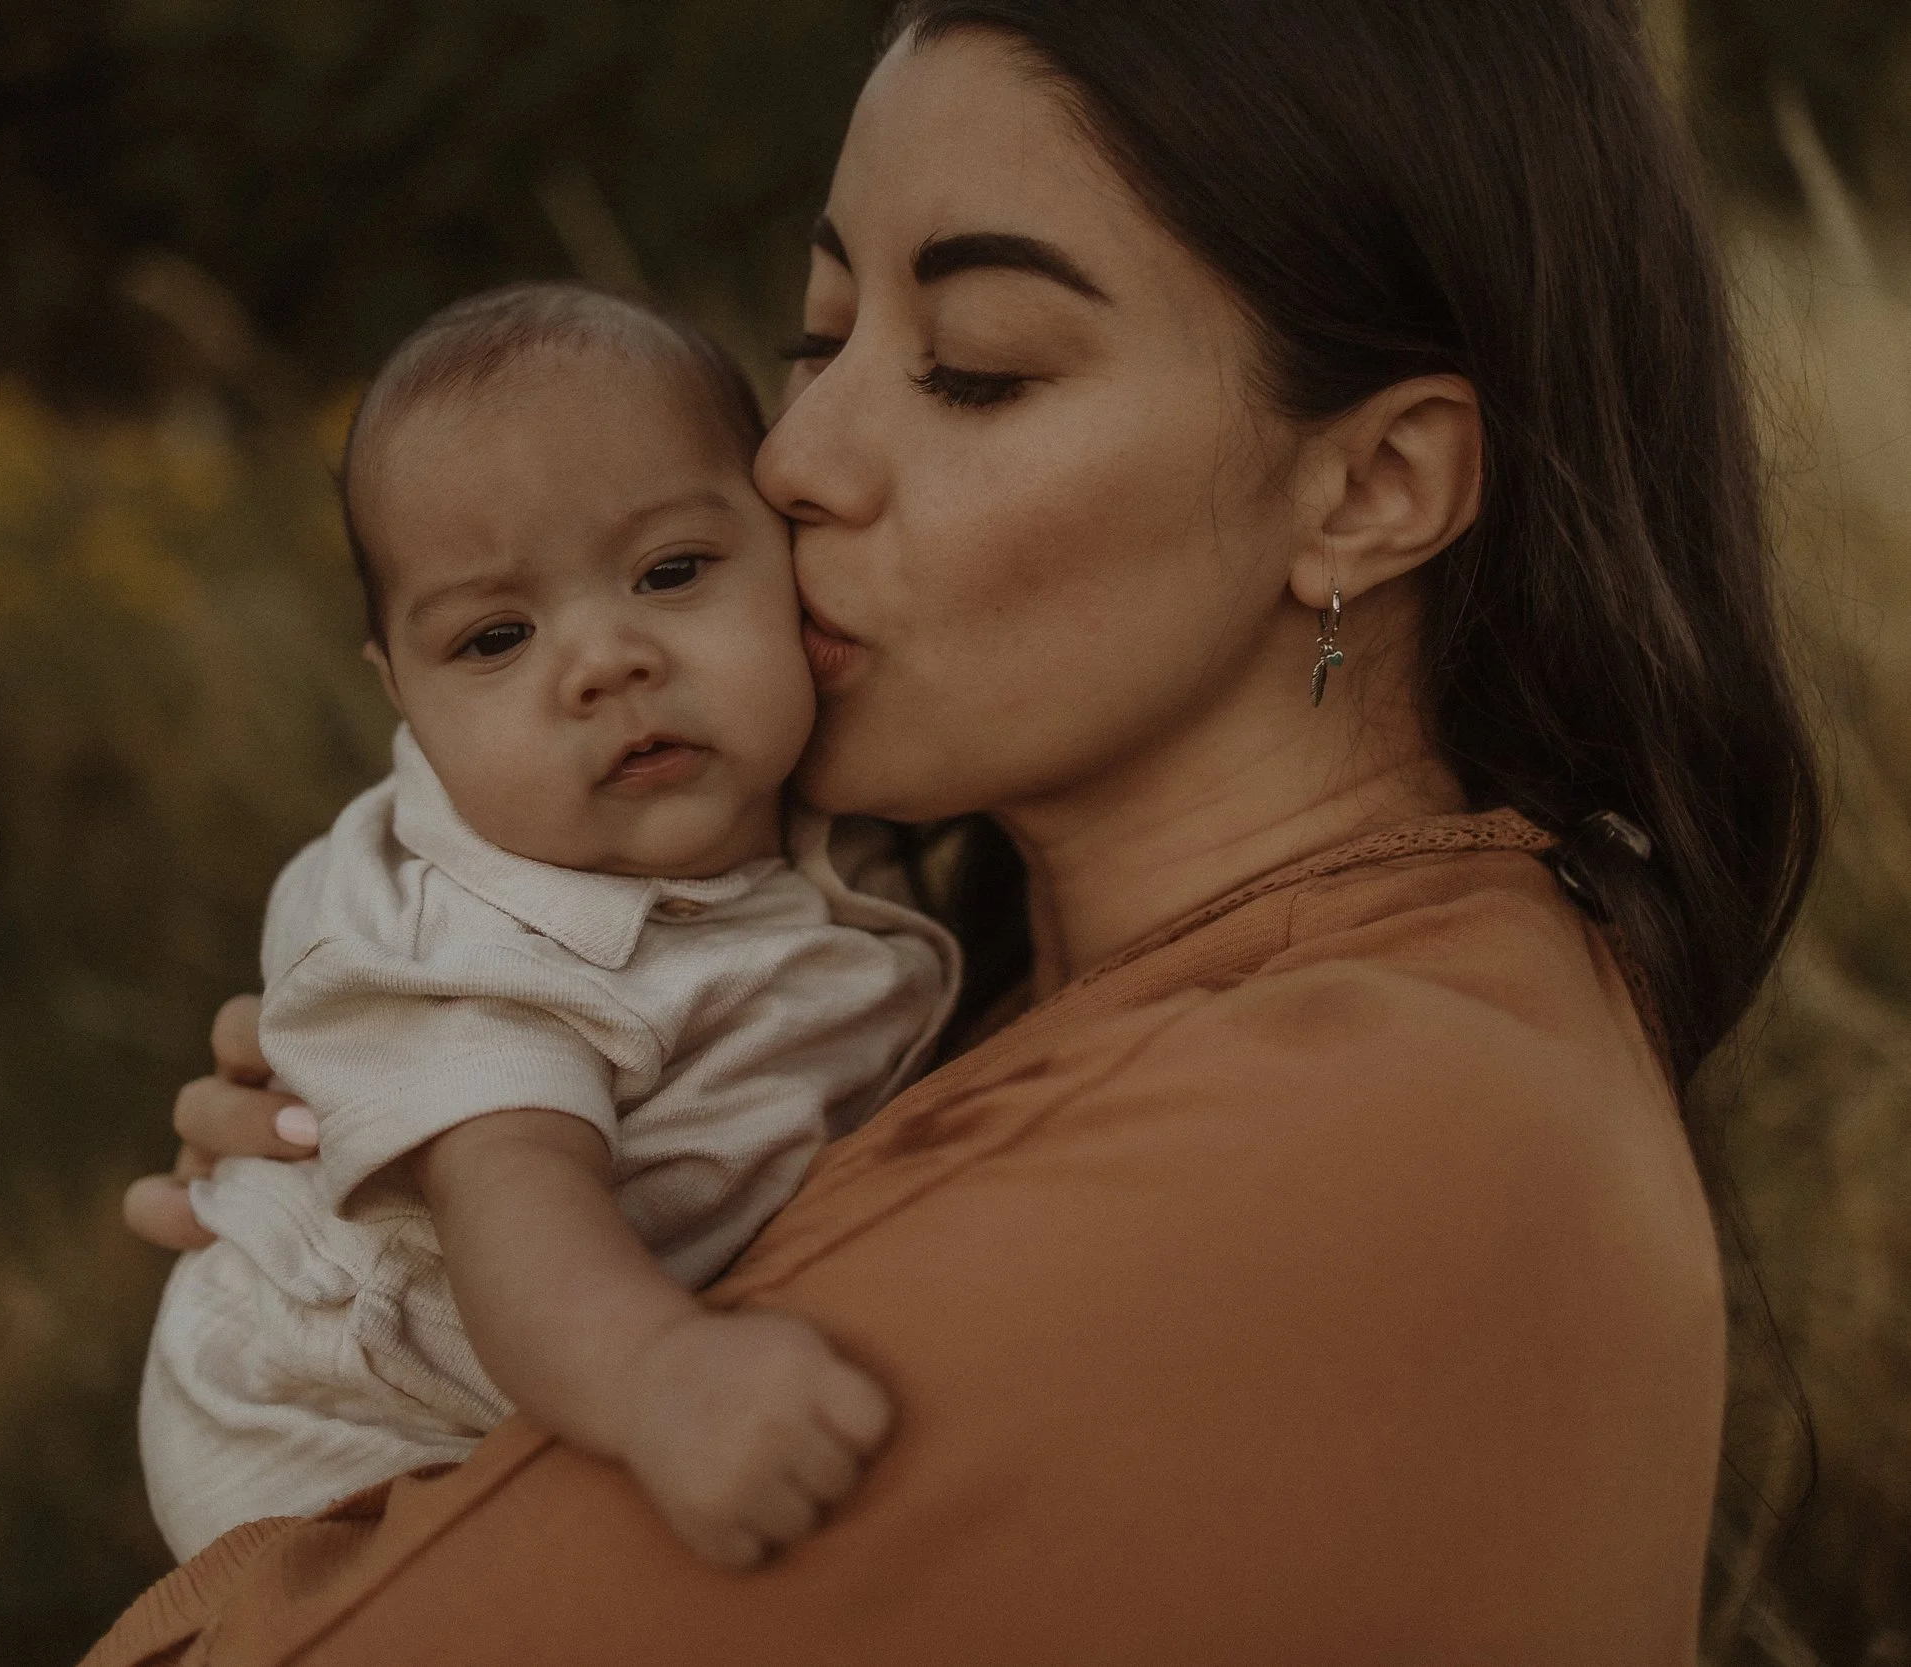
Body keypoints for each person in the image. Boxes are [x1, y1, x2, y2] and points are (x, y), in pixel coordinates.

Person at [101, 0, 1821, 1660]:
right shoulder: (1102, 1002)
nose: (792, 460)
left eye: (975, 370)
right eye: (817, 341)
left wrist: (314, 1461)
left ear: (1370, 489)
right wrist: (386, 1206)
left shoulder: (1359, 1125)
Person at [139, 281, 957, 1568]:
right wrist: (661, 1374)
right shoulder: (475, 940)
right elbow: (515, 1205)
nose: (602, 660)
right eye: (496, 637)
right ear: (398, 692)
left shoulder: (831, 803)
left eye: (673, 570)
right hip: (341, 1419)